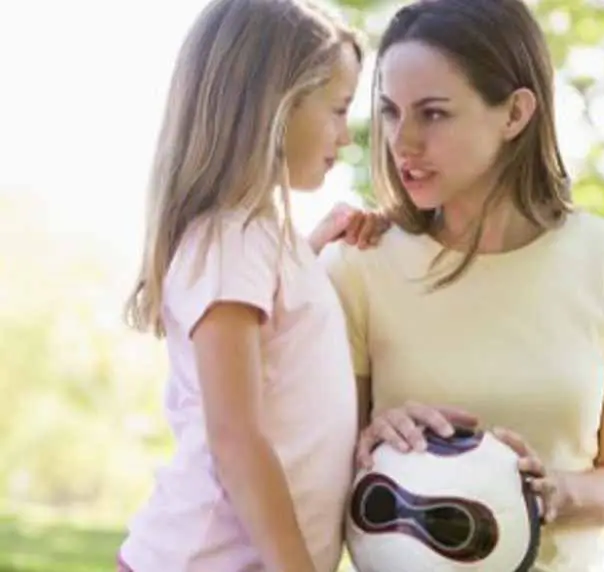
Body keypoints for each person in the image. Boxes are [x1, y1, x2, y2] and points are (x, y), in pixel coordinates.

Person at [321, 0, 604, 570]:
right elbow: (314, 473)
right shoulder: (359, 266)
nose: (402, 141)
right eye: (390, 111)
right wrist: (373, 441)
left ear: (515, 113)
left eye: (433, 114)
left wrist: (558, 491)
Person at [118, 0, 385, 570]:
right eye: (337, 110)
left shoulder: (259, 240)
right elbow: (236, 438)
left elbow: (281, 343)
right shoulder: (232, 240)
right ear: (276, 107)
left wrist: (312, 251)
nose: (346, 134)